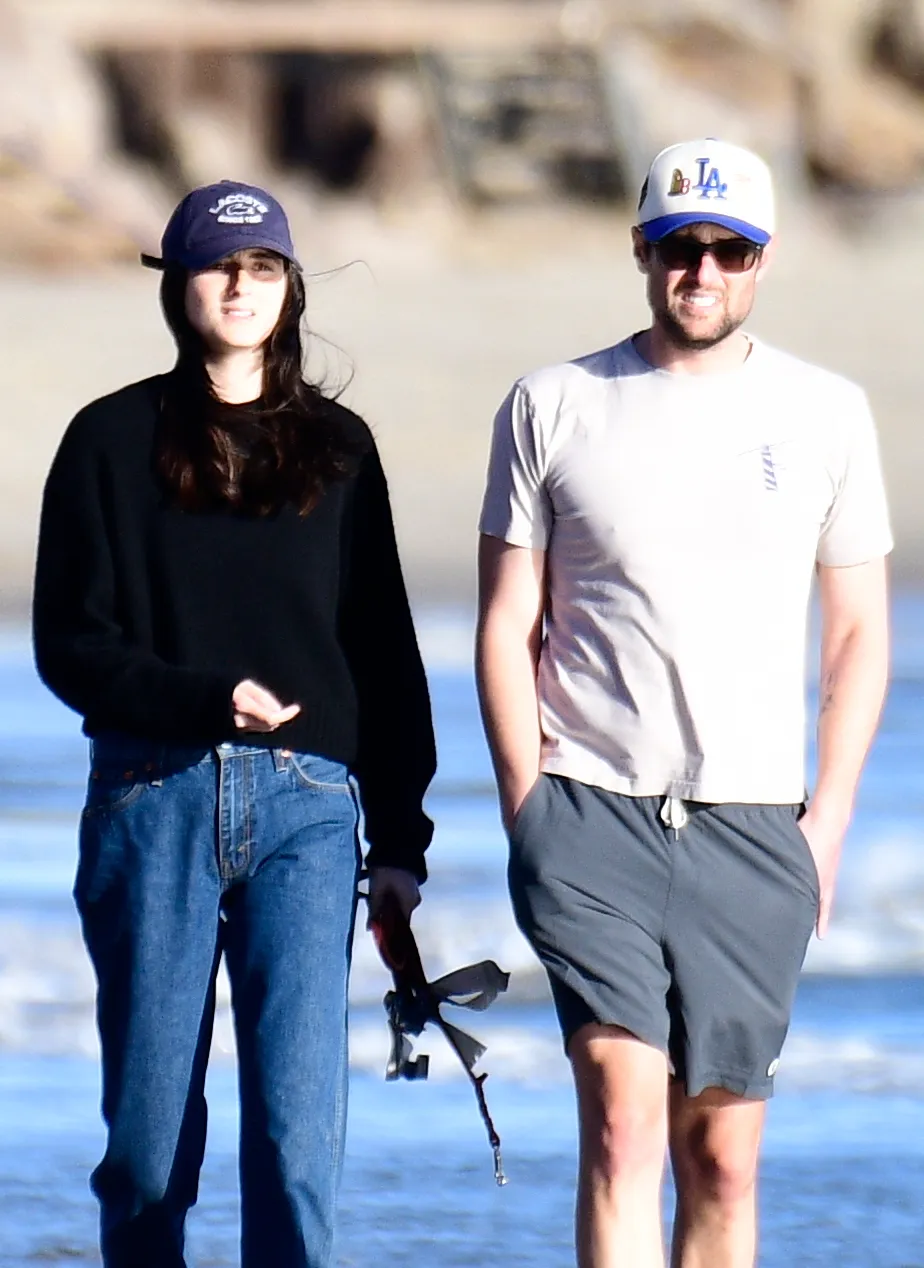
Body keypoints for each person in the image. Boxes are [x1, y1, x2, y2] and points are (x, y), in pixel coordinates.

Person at [475, 139, 892, 1267]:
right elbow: (506, 624)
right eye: (677, 246)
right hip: (591, 814)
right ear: (642, 251)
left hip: (754, 827)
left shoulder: (827, 413)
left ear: (761, 259)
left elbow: (858, 637)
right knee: (620, 1129)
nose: (700, 270)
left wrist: (828, 822)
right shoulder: (553, 403)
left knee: (724, 1158)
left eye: (727, 249)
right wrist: (531, 808)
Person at [33, 180, 436, 1268]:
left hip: (308, 810)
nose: (241, 286)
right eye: (218, 266)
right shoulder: (108, 441)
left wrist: (400, 843)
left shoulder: (340, 450)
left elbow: (386, 657)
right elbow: (70, 645)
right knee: (149, 1143)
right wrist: (203, 697)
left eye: (264, 268)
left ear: (291, 286)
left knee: (296, 1132)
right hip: (149, 795)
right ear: (177, 285)